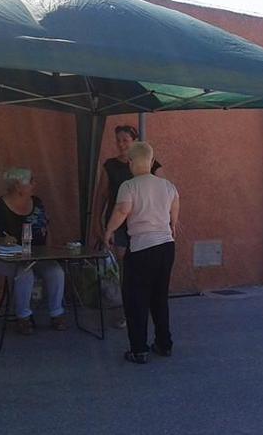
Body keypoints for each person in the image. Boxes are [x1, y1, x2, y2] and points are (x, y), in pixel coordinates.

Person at [104, 141, 179, 364]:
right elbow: (175, 205)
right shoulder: (167, 185)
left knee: (136, 299)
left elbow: (122, 210)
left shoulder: (129, 186)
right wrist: (173, 224)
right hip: (166, 246)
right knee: (159, 297)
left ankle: (139, 350)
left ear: (130, 161)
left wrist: (109, 230)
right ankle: (164, 344)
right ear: (152, 161)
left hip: (142, 247)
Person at [92, 125, 164, 328]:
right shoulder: (110, 165)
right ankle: (129, 311)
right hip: (119, 225)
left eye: (125, 140)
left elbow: (163, 191)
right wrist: (96, 222)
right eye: (118, 140)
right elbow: (102, 196)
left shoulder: (153, 164)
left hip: (144, 225)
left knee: (145, 266)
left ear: (135, 142)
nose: (121, 144)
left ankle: (147, 307)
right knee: (127, 268)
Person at [0, 168, 67, 335]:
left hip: (36, 255)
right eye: (30, 182)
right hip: (8, 258)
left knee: (56, 271)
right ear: (17, 186)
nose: (34, 184)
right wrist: (2, 240)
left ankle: (57, 313)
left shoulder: (37, 202)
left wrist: (50, 252)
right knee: (25, 273)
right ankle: (23, 317)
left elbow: (46, 228)